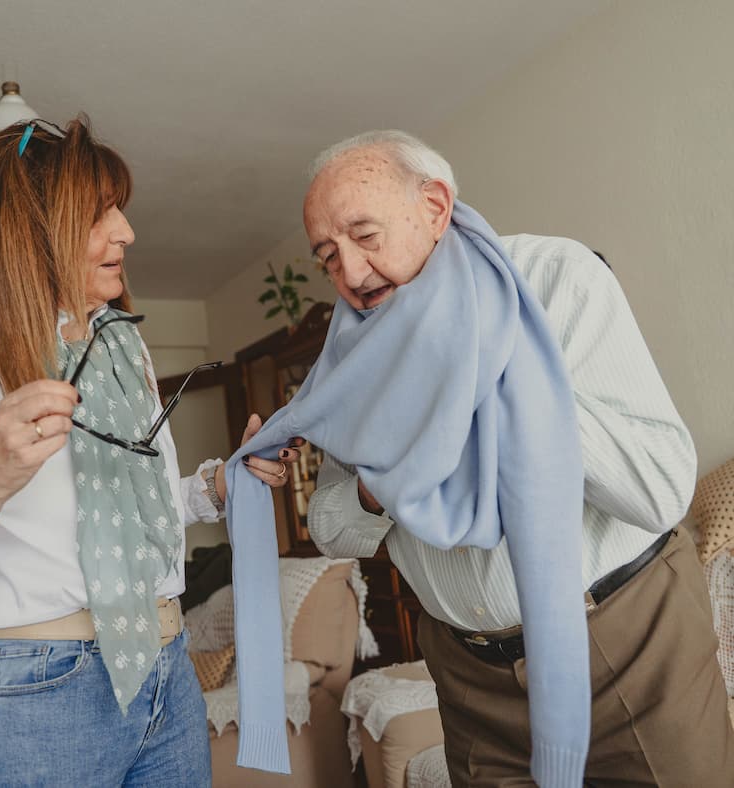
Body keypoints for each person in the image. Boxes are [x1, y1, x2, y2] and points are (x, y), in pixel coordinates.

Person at [0, 117, 298, 787]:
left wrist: (218, 488)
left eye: (119, 210)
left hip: (165, 673)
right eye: (98, 214)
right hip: (33, 699)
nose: (126, 232)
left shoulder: (123, 348)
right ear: (27, 229)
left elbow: (116, 520)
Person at [292, 130, 733, 786]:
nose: (350, 276)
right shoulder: (348, 364)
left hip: (631, 641)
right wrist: (382, 481)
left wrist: (503, 384)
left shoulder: (558, 279)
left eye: (366, 236)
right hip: (469, 677)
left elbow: (661, 489)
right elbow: (331, 526)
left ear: (436, 207)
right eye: (328, 255)